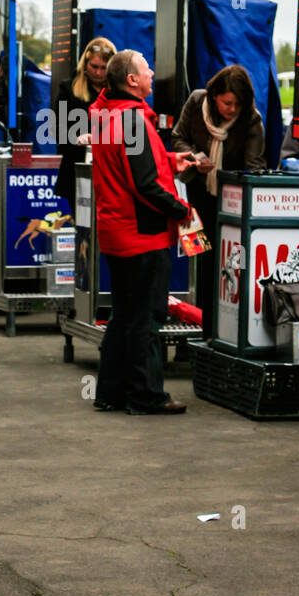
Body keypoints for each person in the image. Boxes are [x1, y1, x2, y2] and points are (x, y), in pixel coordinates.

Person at [90, 50, 197, 415]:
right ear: (132, 81)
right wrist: (182, 211)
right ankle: (147, 395)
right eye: (146, 68)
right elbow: (146, 184)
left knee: (124, 314)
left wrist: (169, 159)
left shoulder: (107, 114)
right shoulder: (134, 121)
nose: (153, 72)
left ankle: (110, 391)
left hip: (118, 231)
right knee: (146, 318)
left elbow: (126, 164)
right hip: (142, 235)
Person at [172, 64, 266, 338]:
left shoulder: (251, 119)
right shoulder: (196, 101)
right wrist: (194, 157)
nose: (233, 109)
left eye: (238, 104)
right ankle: (200, 328)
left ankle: (221, 333)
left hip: (232, 205)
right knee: (200, 261)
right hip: (195, 199)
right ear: (214, 96)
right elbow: (178, 138)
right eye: (227, 103)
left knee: (226, 267)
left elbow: (255, 166)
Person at [52, 38, 116, 214]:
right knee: (83, 226)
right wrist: (78, 138)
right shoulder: (68, 88)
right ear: (85, 63)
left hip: (111, 171)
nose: (98, 72)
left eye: (103, 68)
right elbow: (56, 128)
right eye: (94, 66)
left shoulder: (118, 92)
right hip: (77, 167)